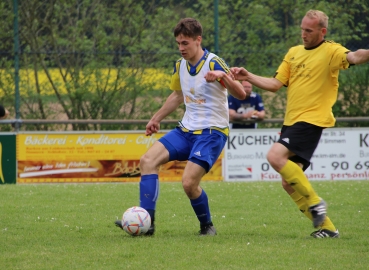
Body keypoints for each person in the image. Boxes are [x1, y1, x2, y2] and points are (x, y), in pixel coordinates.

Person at [231, 9, 369, 238]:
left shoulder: (331, 51)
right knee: (288, 183)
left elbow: (355, 56)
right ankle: (329, 229)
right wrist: (248, 76)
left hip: (312, 119)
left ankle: (316, 202)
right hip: (292, 122)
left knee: (275, 157)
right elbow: (275, 83)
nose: (303, 34)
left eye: (309, 30)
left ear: (322, 31)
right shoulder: (293, 53)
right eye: (302, 29)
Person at [115, 18, 245, 235]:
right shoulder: (180, 66)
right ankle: (147, 224)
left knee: (188, 184)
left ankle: (207, 226)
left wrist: (223, 76)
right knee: (148, 160)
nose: (181, 48)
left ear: (198, 40)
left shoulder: (213, 63)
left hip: (211, 133)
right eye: (178, 43)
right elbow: (177, 95)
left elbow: (241, 93)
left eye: (185, 43)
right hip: (186, 130)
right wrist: (155, 118)